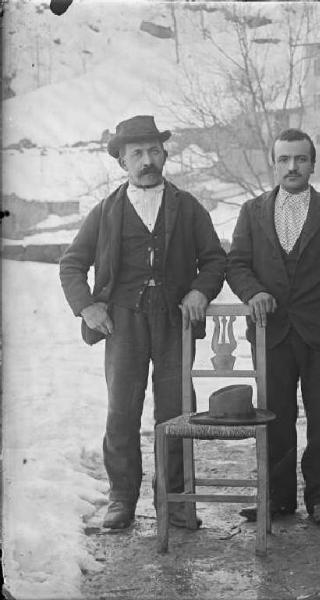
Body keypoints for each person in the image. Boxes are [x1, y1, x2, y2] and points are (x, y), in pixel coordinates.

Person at [60, 115, 226, 529]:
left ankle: (176, 500)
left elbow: (215, 260)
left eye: (154, 151)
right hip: (123, 323)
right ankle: (122, 498)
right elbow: (71, 265)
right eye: (137, 154)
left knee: (176, 411)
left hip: (173, 322)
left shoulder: (187, 207)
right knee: (122, 411)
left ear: (165, 154)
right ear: (122, 162)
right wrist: (87, 307)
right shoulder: (106, 211)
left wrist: (200, 291)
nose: (147, 160)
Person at [227, 128, 320, 525]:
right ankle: (277, 497)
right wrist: (253, 293)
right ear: (274, 164)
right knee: (274, 416)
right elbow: (237, 264)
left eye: (300, 159)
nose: (292, 167)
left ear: (312, 164)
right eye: (284, 159)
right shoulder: (252, 212)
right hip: (271, 333)